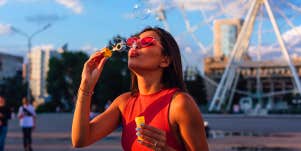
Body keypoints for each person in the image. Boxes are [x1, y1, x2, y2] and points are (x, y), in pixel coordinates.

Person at [72, 27, 209, 151]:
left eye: (147, 42)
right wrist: (85, 85)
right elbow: (80, 140)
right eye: (133, 42)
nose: (135, 45)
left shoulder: (180, 104)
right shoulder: (124, 102)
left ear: (165, 60)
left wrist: (165, 149)